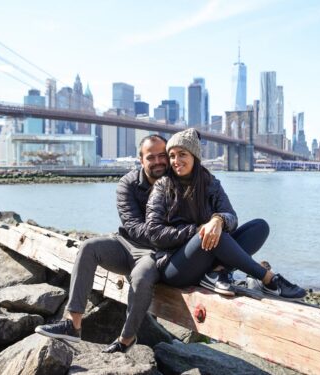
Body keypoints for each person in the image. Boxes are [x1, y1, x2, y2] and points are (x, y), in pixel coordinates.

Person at [35, 134, 169, 353]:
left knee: (141, 277)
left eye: (162, 156)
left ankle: (126, 340)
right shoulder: (127, 184)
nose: (157, 162)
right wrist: (169, 233)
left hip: (153, 253)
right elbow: (134, 227)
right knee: (88, 248)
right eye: (150, 157)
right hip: (126, 243)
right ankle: (73, 324)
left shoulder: (178, 182)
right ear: (140, 159)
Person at [145, 128, 306, 299]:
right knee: (213, 232)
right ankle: (269, 279)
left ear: (194, 156)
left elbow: (231, 217)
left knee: (260, 226)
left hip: (207, 259)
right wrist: (198, 230)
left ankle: (217, 272)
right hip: (175, 267)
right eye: (172, 156)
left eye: (182, 154)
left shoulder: (210, 183)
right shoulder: (162, 186)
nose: (176, 160)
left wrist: (218, 220)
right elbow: (153, 232)